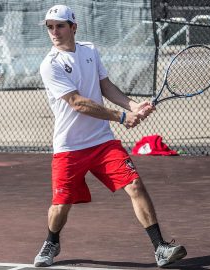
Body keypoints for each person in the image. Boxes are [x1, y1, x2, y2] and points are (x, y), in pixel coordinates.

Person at [34, 4, 187, 268]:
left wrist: (132, 106)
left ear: (73, 27)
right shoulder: (50, 65)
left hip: (103, 143)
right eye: (50, 27)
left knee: (135, 185)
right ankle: (52, 241)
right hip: (69, 147)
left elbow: (104, 85)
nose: (54, 31)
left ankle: (160, 247)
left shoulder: (90, 51)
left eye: (60, 26)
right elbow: (78, 103)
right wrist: (121, 117)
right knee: (61, 205)